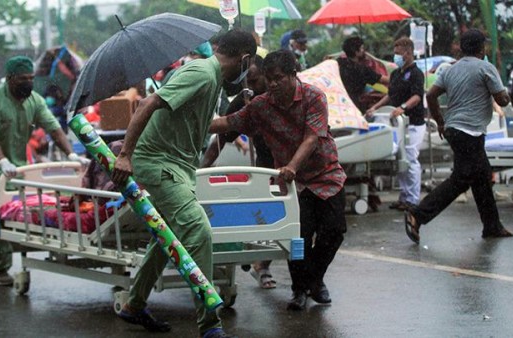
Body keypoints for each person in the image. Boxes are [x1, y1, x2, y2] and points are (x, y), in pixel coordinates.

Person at [110, 30, 256, 338]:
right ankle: (210, 324)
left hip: (178, 167)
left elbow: (206, 124)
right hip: (159, 164)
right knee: (198, 230)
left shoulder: (212, 81)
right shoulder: (202, 73)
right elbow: (148, 103)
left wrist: (241, 116)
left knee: (168, 238)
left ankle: (134, 305)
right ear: (245, 59)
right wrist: (126, 155)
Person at [209, 49, 347, 311]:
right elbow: (229, 122)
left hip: (325, 173)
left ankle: (314, 280)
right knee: (298, 238)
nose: (272, 84)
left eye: (278, 78)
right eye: (268, 79)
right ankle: (299, 289)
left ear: (293, 74)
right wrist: (195, 122)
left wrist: (293, 165)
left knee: (334, 231)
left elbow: (312, 137)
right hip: (293, 184)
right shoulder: (261, 105)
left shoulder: (313, 97)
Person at [0, 56, 90, 286]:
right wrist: (2, 161)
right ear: (11, 79)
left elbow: (54, 129)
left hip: (18, 168)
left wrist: (71, 154)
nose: (28, 83)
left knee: (12, 217)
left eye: (31, 78)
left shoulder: (34, 100)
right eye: (23, 79)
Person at [404, 29, 513, 244]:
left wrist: (440, 121)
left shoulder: (449, 69)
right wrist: (505, 94)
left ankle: (492, 226)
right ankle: (417, 214)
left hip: (455, 129)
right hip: (470, 131)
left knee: (481, 177)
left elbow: (431, 95)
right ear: (481, 48)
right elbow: (502, 101)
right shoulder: (486, 68)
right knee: (462, 179)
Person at [200, 55, 277, 289]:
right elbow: (221, 136)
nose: (251, 89)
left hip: (295, 162)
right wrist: (200, 172)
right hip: (267, 165)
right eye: (247, 83)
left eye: (255, 81)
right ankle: (260, 264)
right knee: (267, 217)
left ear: (269, 76)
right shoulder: (246, 100)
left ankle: (304, 284)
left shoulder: (286, 95)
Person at [367, 37, 426, 211]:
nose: (396, 57)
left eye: (398, 53)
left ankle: (413, 199)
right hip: (397, 124)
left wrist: (403, 107)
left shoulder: (416, 73)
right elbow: (390, 94)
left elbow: (417, 96)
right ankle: (404, 196)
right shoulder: (396, 74)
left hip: (413, 123)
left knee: (411, 159)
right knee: (400, 160)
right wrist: (375, 107)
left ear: (408, 53)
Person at [338, 36, 389, 114]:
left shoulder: (339, 63)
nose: (364, 51)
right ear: (356, 52)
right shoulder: (362, 70)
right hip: (355, 105)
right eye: (362, 48)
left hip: (340, 103)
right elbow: (382, 79)